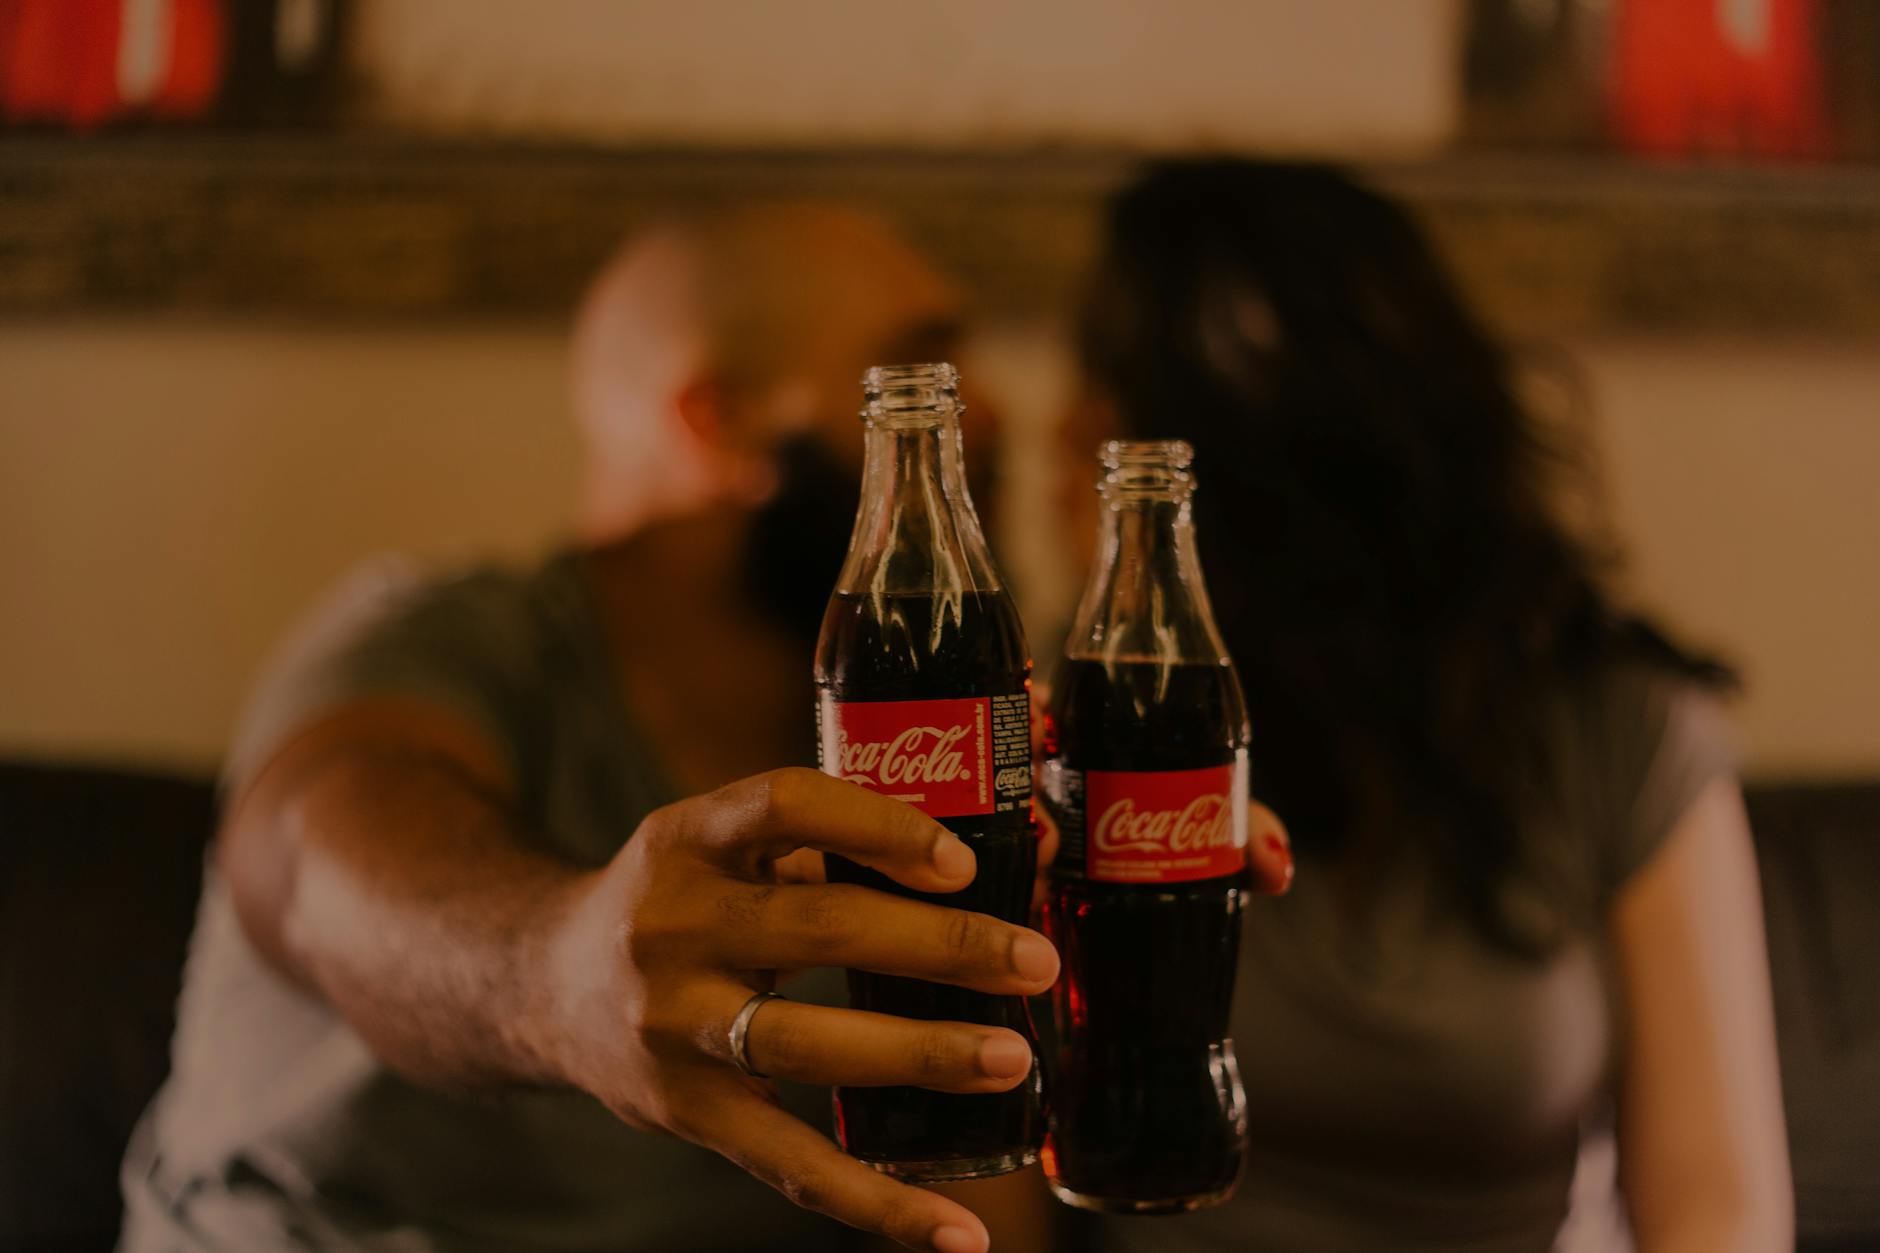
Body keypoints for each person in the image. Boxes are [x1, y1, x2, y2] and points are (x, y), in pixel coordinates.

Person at [119, 204, 1101, 1253]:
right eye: (914, 373)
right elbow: (321, 871)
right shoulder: (444, 638)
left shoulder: (932, 734)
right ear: (714, 418)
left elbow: (970, 1188)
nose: (991, 413)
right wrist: (558, 973)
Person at [1063, 161, 1792, 1252]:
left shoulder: (1619, 728)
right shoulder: (1077, 735)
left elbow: (1718, 1211)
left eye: (1117, 387)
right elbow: (977, 1199)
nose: (1064, 425)